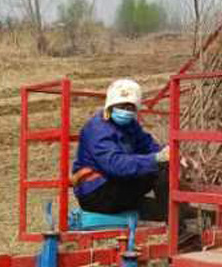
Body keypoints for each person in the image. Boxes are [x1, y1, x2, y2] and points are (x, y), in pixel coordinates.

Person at [71, 78, 171, 219]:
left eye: (130, 108)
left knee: (164, 173)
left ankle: (176, 214)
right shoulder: (98, 128)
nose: (125, 111)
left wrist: (170, 153)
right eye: (121, 106)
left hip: (117, 185)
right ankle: (173, 216)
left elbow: (148, 146)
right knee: (159, 169)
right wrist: (156, 159)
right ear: (110, 106)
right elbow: (116, 165)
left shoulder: (130, 125)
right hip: (96, 192)